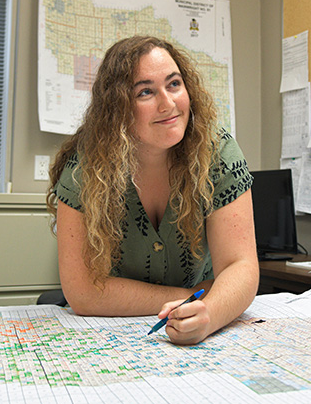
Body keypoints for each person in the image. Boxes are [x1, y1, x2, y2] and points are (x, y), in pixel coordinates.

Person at [46, 35, 258, 345]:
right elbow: (84, 292)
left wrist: (209, 314)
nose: (168, 104)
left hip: (200, 322)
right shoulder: (85, 167)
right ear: (118, 108)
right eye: (145, 92)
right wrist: (191, 296)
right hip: (109, 332)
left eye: (174, 84)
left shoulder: (218, 153)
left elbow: (241, 266)